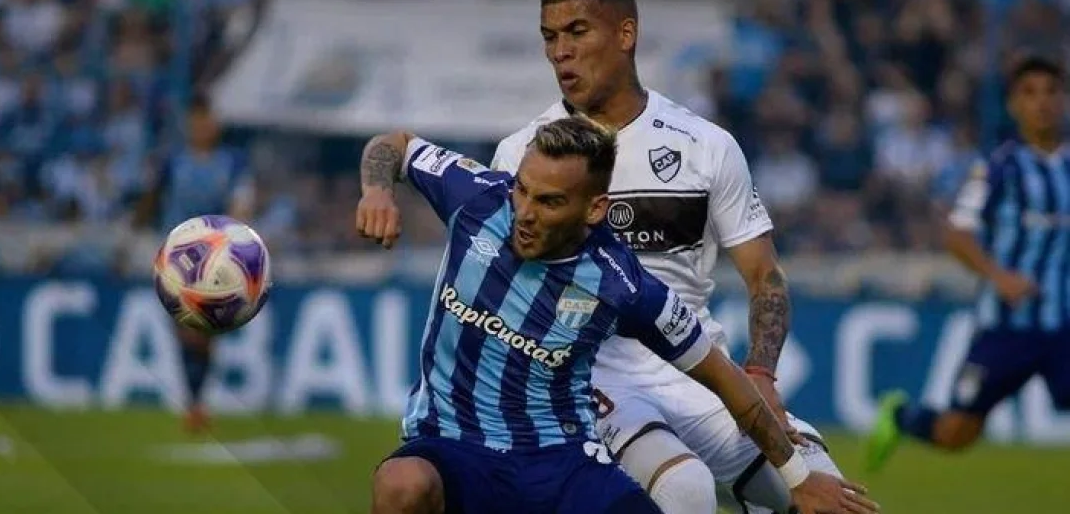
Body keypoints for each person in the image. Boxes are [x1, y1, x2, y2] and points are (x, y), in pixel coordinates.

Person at [357, 117, 878, 514]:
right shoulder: (477, 198)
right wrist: (378, 190)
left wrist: (797, 477)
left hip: (559, 460)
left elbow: (722, 377)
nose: (526, 214)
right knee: (402, 484)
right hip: (453, 444)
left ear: (594, 209)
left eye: (550, 202)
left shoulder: (621, 284)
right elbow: (394, 144)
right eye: (523, 190)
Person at [490, 0, 847, 512]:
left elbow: (764, 276)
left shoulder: (705, 146)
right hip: (592, 380)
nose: (560, 51)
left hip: (699, 376)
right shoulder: (522, 154)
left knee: (830, 492)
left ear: (625, 33)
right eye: (549, 37)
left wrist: (760, 375)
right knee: (685, 487)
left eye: (577, 32)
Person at [867, 56, 1070, 470]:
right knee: (955, 434)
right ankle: (900, 415)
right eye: (1030, 93)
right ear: (1014, 105)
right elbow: (957, 235)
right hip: (1005, 326)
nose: (1043, 102)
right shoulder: (997, 168)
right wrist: (1000, 277)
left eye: (1051, 92)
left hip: (1063, 325)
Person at [135, 94, 254, 433]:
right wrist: (135, 233)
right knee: (187, 330)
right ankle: (195, 403)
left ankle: (195, 401)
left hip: (215, 258)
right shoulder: (172, 161)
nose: (202, 126)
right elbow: (151, 199)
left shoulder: (232, 162)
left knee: (203, 335)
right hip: (176, 256)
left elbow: (242, 201)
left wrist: (234, 236)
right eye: (196, 120)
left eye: (207, 120)